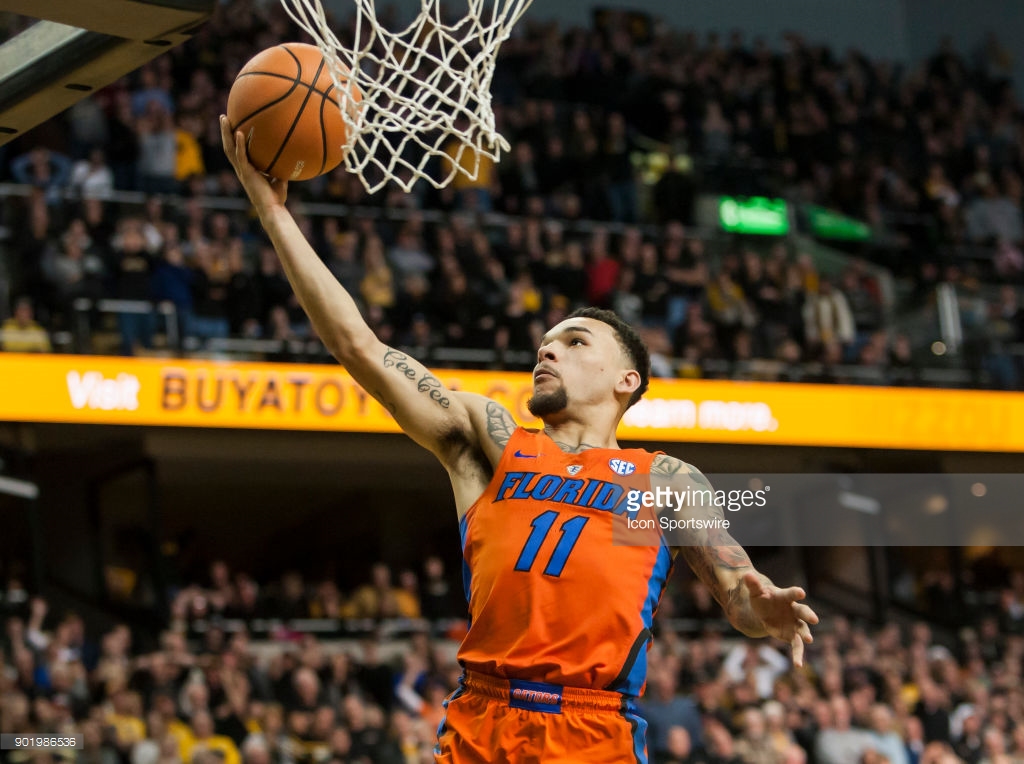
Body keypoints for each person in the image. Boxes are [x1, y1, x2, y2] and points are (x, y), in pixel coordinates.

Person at [220, 115, 818, 764]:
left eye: (574, 341)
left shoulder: (665, 480)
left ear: (627, 380)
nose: (548, 348)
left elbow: (737, 594)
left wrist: (763, 608)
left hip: (595, 734)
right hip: (481, 721)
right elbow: (359, 346)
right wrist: (272, 211)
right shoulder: (492, 442)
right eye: (546, 341)